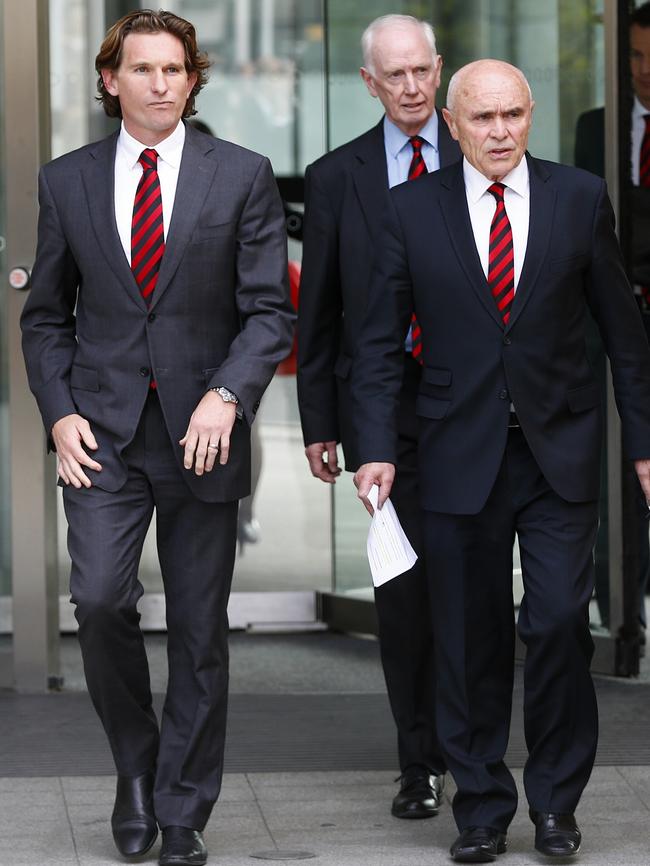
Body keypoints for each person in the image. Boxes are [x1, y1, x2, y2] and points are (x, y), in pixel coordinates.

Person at [352, 59, 650, 862]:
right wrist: (374, 447)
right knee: (468, 637)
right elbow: (377, 345)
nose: (500, 132)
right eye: (482, 118)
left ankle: (556, 803)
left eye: (514, 115)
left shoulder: (579, 199)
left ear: (530, 117)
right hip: (454, 454)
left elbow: (625, 335)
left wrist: (646, 445)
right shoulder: (410, 211)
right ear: (451, 125)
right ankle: (481, 805)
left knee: (555, 623)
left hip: (559, 452)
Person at [21, 10, 294, 866]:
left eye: (175, 69)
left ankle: (182, 808)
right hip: (99, 434)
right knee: (100, 600)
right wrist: (60, 411)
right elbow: (44, 320)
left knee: (201, 630)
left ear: (193, 77)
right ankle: (136, 768)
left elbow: (268, 311)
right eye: (142, 69)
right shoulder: (66, 181)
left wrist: (227, 395)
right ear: (112, 81)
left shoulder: (241, 175)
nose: (161, 83)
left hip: (201, 436)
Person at [297, 13, 460, 819]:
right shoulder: (336, 177)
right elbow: (318, 312)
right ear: (369, 83)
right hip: (381, 405)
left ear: (439, 68)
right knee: (403, 587)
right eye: (392, 75)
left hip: (470, 404)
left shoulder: (482, 155)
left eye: (421, 71)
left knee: (466, 585)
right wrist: (321, 422)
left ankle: (475, 743)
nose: (410, 87)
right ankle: (419, 760)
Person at [575, 0, 650, 637]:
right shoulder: (595, 125)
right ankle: (615, 607)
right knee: (608, 462)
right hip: (609, 322)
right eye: (634, 56)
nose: (644, 70)